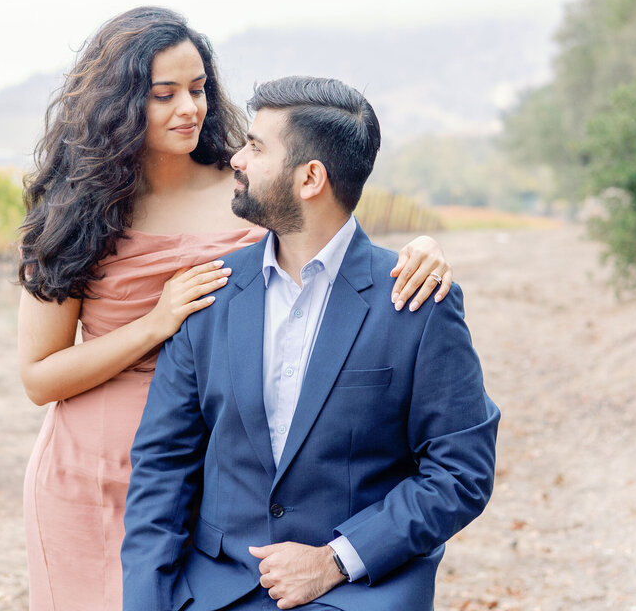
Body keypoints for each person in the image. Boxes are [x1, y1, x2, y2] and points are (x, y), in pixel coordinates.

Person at [17, 8, 456, 611]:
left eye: (198, 89)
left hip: (221, 461)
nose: (189, 109)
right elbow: (38, 377)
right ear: (118, 104)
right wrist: (156, 323)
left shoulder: (247, 186)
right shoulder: (74, 215)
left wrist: (423, 251)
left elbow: (335, 250)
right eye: (164, 95)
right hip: (91, 469)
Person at [121, 76, 500, 611]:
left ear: (310, 178)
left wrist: (335, 559)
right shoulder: (208, 294)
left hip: (359, 592)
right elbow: (163, 466)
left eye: (255, 147)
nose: (237, 159)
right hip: (215, 593)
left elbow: (461, 472)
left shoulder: (417, 301)